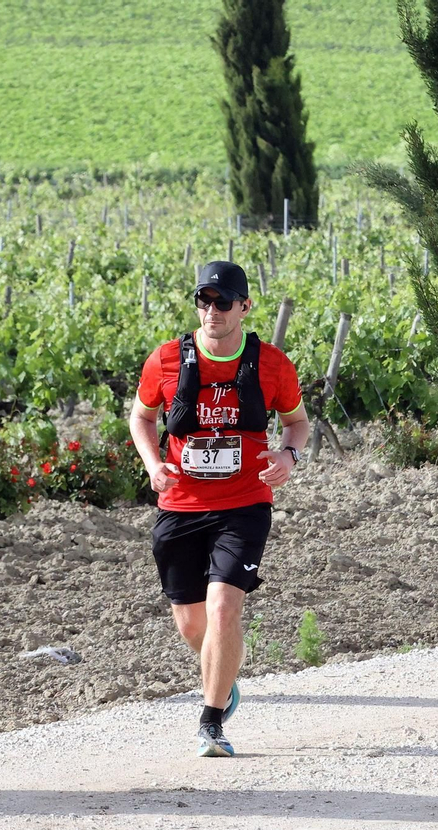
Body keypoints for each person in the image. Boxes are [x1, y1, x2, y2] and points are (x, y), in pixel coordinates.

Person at [129, 260, 310, 758]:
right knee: (192, 625)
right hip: (180, 505)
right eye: (203, 301)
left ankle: (211, 721)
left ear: (244, 307)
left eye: (223, 302)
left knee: (225, 608)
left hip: (244, 504)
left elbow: (297, 423)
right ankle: (224, 676)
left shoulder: (273, 364)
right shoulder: (166, 359)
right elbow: (142, 418)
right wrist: (152, 464)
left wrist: (288, 456)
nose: (212, 310)